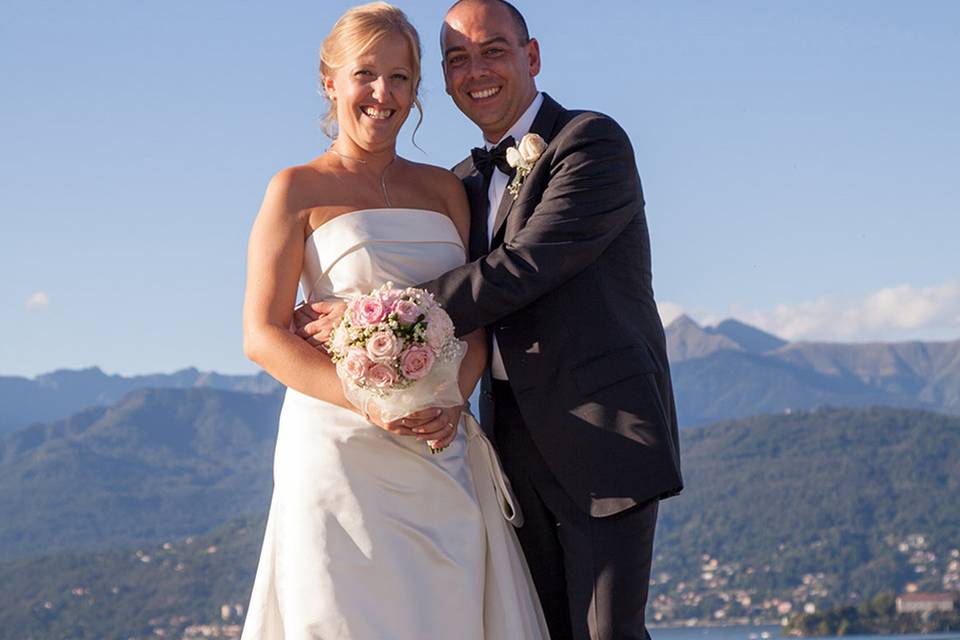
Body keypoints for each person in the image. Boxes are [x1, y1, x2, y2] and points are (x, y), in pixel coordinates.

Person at [296, 1, 684, 638]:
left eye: (493, 51)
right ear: (445, 80)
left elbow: (525, 266)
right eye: (457, 59)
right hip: (498, 447)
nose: (476, 70)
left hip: (599, 434)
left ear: (531, 57)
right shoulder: (460, 185)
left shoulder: (590, 142)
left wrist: (373, 318)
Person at [240, 3, 550, 639]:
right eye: (365, 75)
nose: (383, 94)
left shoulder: (446, 191)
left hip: (439, 444)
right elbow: (263, 336)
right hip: (337, 447)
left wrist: (453, 400)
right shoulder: (294, 189)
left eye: (401, 78)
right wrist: (369, 403)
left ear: (416, 88)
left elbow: (473, 317)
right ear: (331, 82)